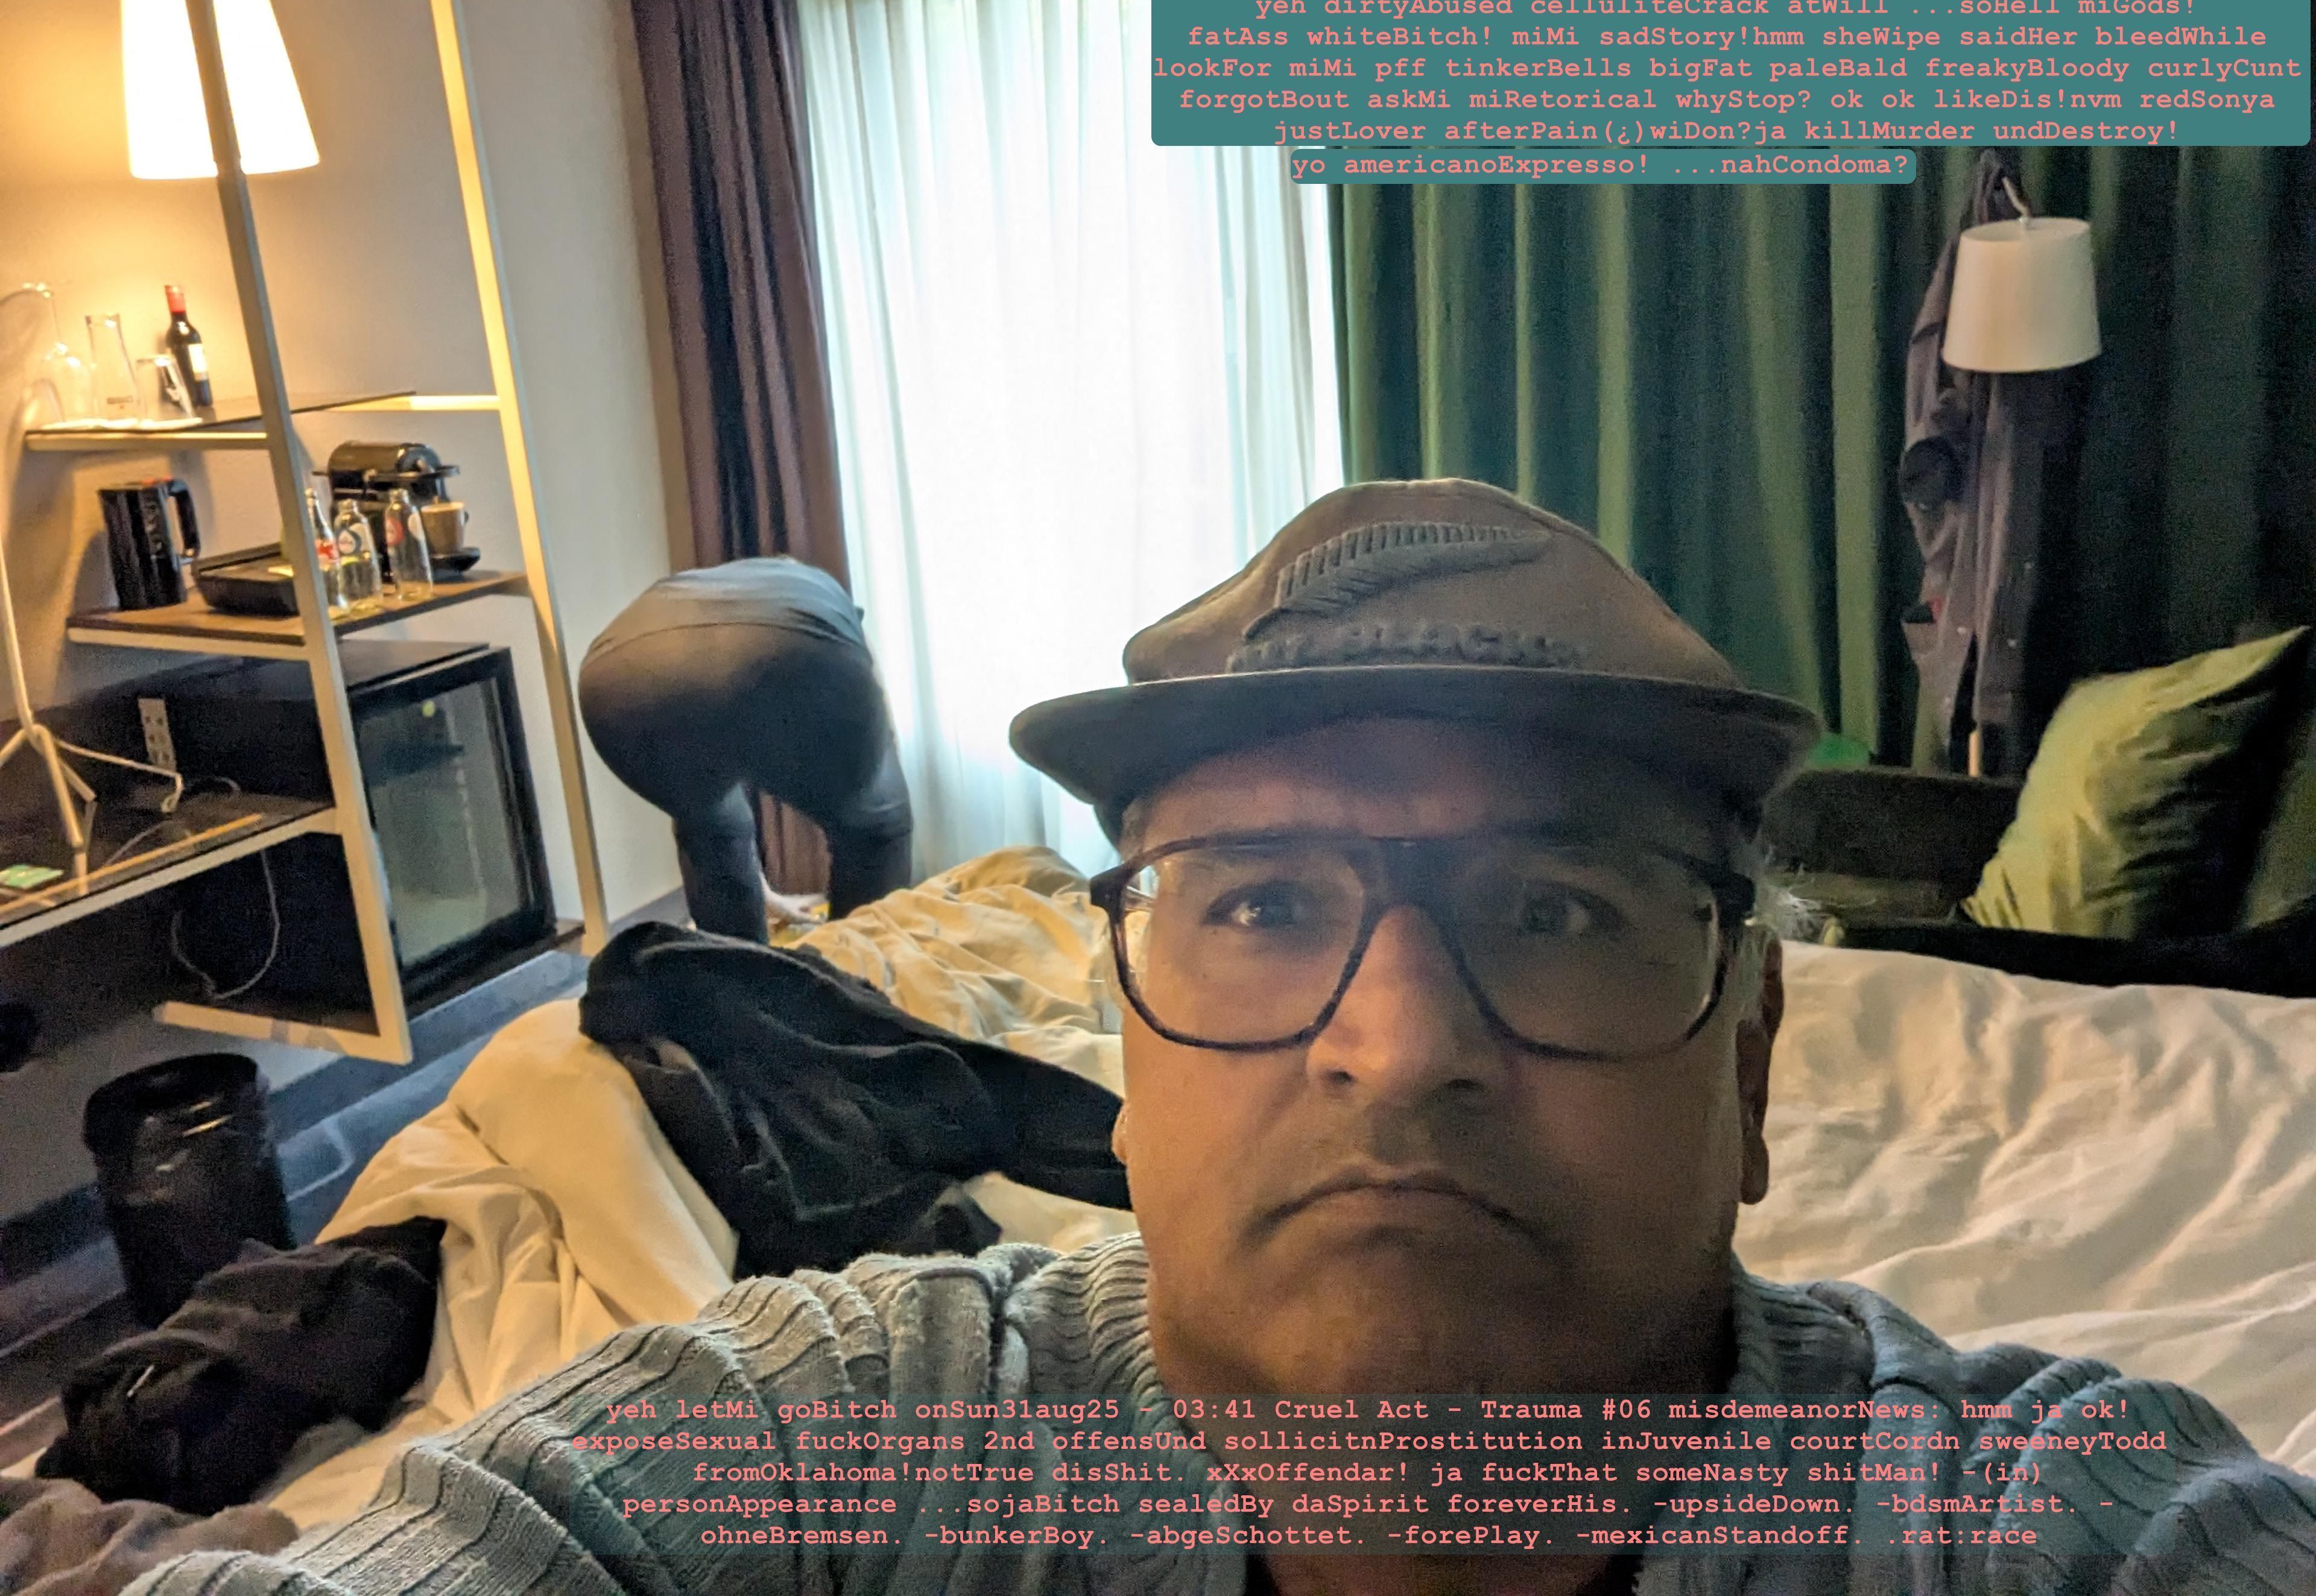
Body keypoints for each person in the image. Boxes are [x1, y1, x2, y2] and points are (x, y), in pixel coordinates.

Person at [131, 481, 2315, 1596]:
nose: (1398, 1043)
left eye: (1555, 909)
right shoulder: (830, 1435)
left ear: (1748, 1066)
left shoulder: (2030, 1520)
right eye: (1260, 903)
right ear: (1126, 1043)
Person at [578, 557, 915, 938]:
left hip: (618, 674)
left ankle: (738, 965)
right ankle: (856, 965)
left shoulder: (722, 588)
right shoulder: (817, 592)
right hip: (792, 650)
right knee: (875, 829)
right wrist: (881, 802)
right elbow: (878, 708)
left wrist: (761, 893)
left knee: (710, 827)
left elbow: (715, 693)